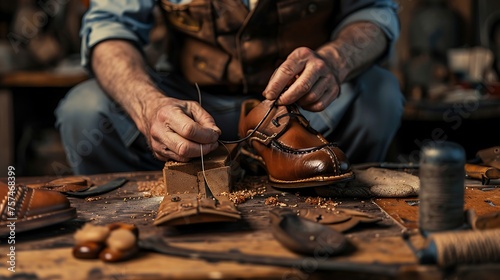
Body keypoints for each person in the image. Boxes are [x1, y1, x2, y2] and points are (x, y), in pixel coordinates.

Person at [55, 0, 404, 175]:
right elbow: (110, 28)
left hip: (306, 106)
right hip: (195, 103)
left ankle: (333, 206)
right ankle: (135, 227)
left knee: (380, 94)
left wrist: (336, 60)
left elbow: (373, 13)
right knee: (85, 110)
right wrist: (148, 105)